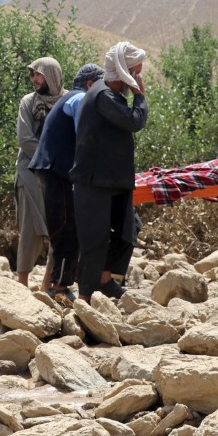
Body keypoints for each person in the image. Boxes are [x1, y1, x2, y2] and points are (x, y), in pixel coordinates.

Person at [71, 42, 149, 302]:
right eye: (136, 72)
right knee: (95, 240)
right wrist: (140, 95)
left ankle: (105, 281)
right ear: (124, 70)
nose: (138, 76)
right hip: (94, 182)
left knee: (129, 230)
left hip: (112, 181)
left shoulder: (112, 95)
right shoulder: (103, 95)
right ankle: (84, 298)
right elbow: (134, 121)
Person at [29, 64, 104, 302]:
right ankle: (58, 287)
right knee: (65, 226)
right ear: (91, 84)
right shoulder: (80, 98)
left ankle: (60, 283)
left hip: (55, 169)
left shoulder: (71, 97)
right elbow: (83, 133)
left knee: (67, 224)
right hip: (56, 169)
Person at [15, 57, 64, 286]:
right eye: (32, 74)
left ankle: (47, 285)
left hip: (59, 176)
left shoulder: (67, 101)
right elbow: (25, 140)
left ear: (52, 75)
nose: (34, 79)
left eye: (39, 74)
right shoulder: (28, 102)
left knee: (58, 228)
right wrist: (51, 160)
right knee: (29, 230)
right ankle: (22, 284)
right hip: (30, 172)